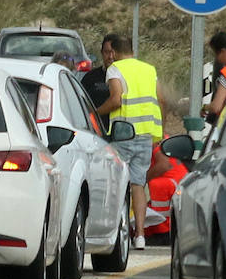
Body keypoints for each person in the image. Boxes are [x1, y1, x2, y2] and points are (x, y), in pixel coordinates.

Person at [94, 35, 163, 250]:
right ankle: (140, 235)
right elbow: (160, 100)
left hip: (123, 134)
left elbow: (115, 99)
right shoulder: (149, 69)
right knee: (138, 184)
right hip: (146, 135)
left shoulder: (115, 69)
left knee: (116, 184)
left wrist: (94, 114)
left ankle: (114, 232)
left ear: (113, 52)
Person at [143, 144, 189, 237]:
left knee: (151, 186)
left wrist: (143, 180)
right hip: (180, 182)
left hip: (172, 184)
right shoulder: (165, 143)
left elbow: (164, 165)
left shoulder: (156, 145)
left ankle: (160, 231)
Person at [80, 35, 116, 130]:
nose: (110, 57)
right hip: (96, 131)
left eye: (113, 52)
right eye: (107, 52)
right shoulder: (90, 77)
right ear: (102, 53)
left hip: (123, 134)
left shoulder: (127, 77)